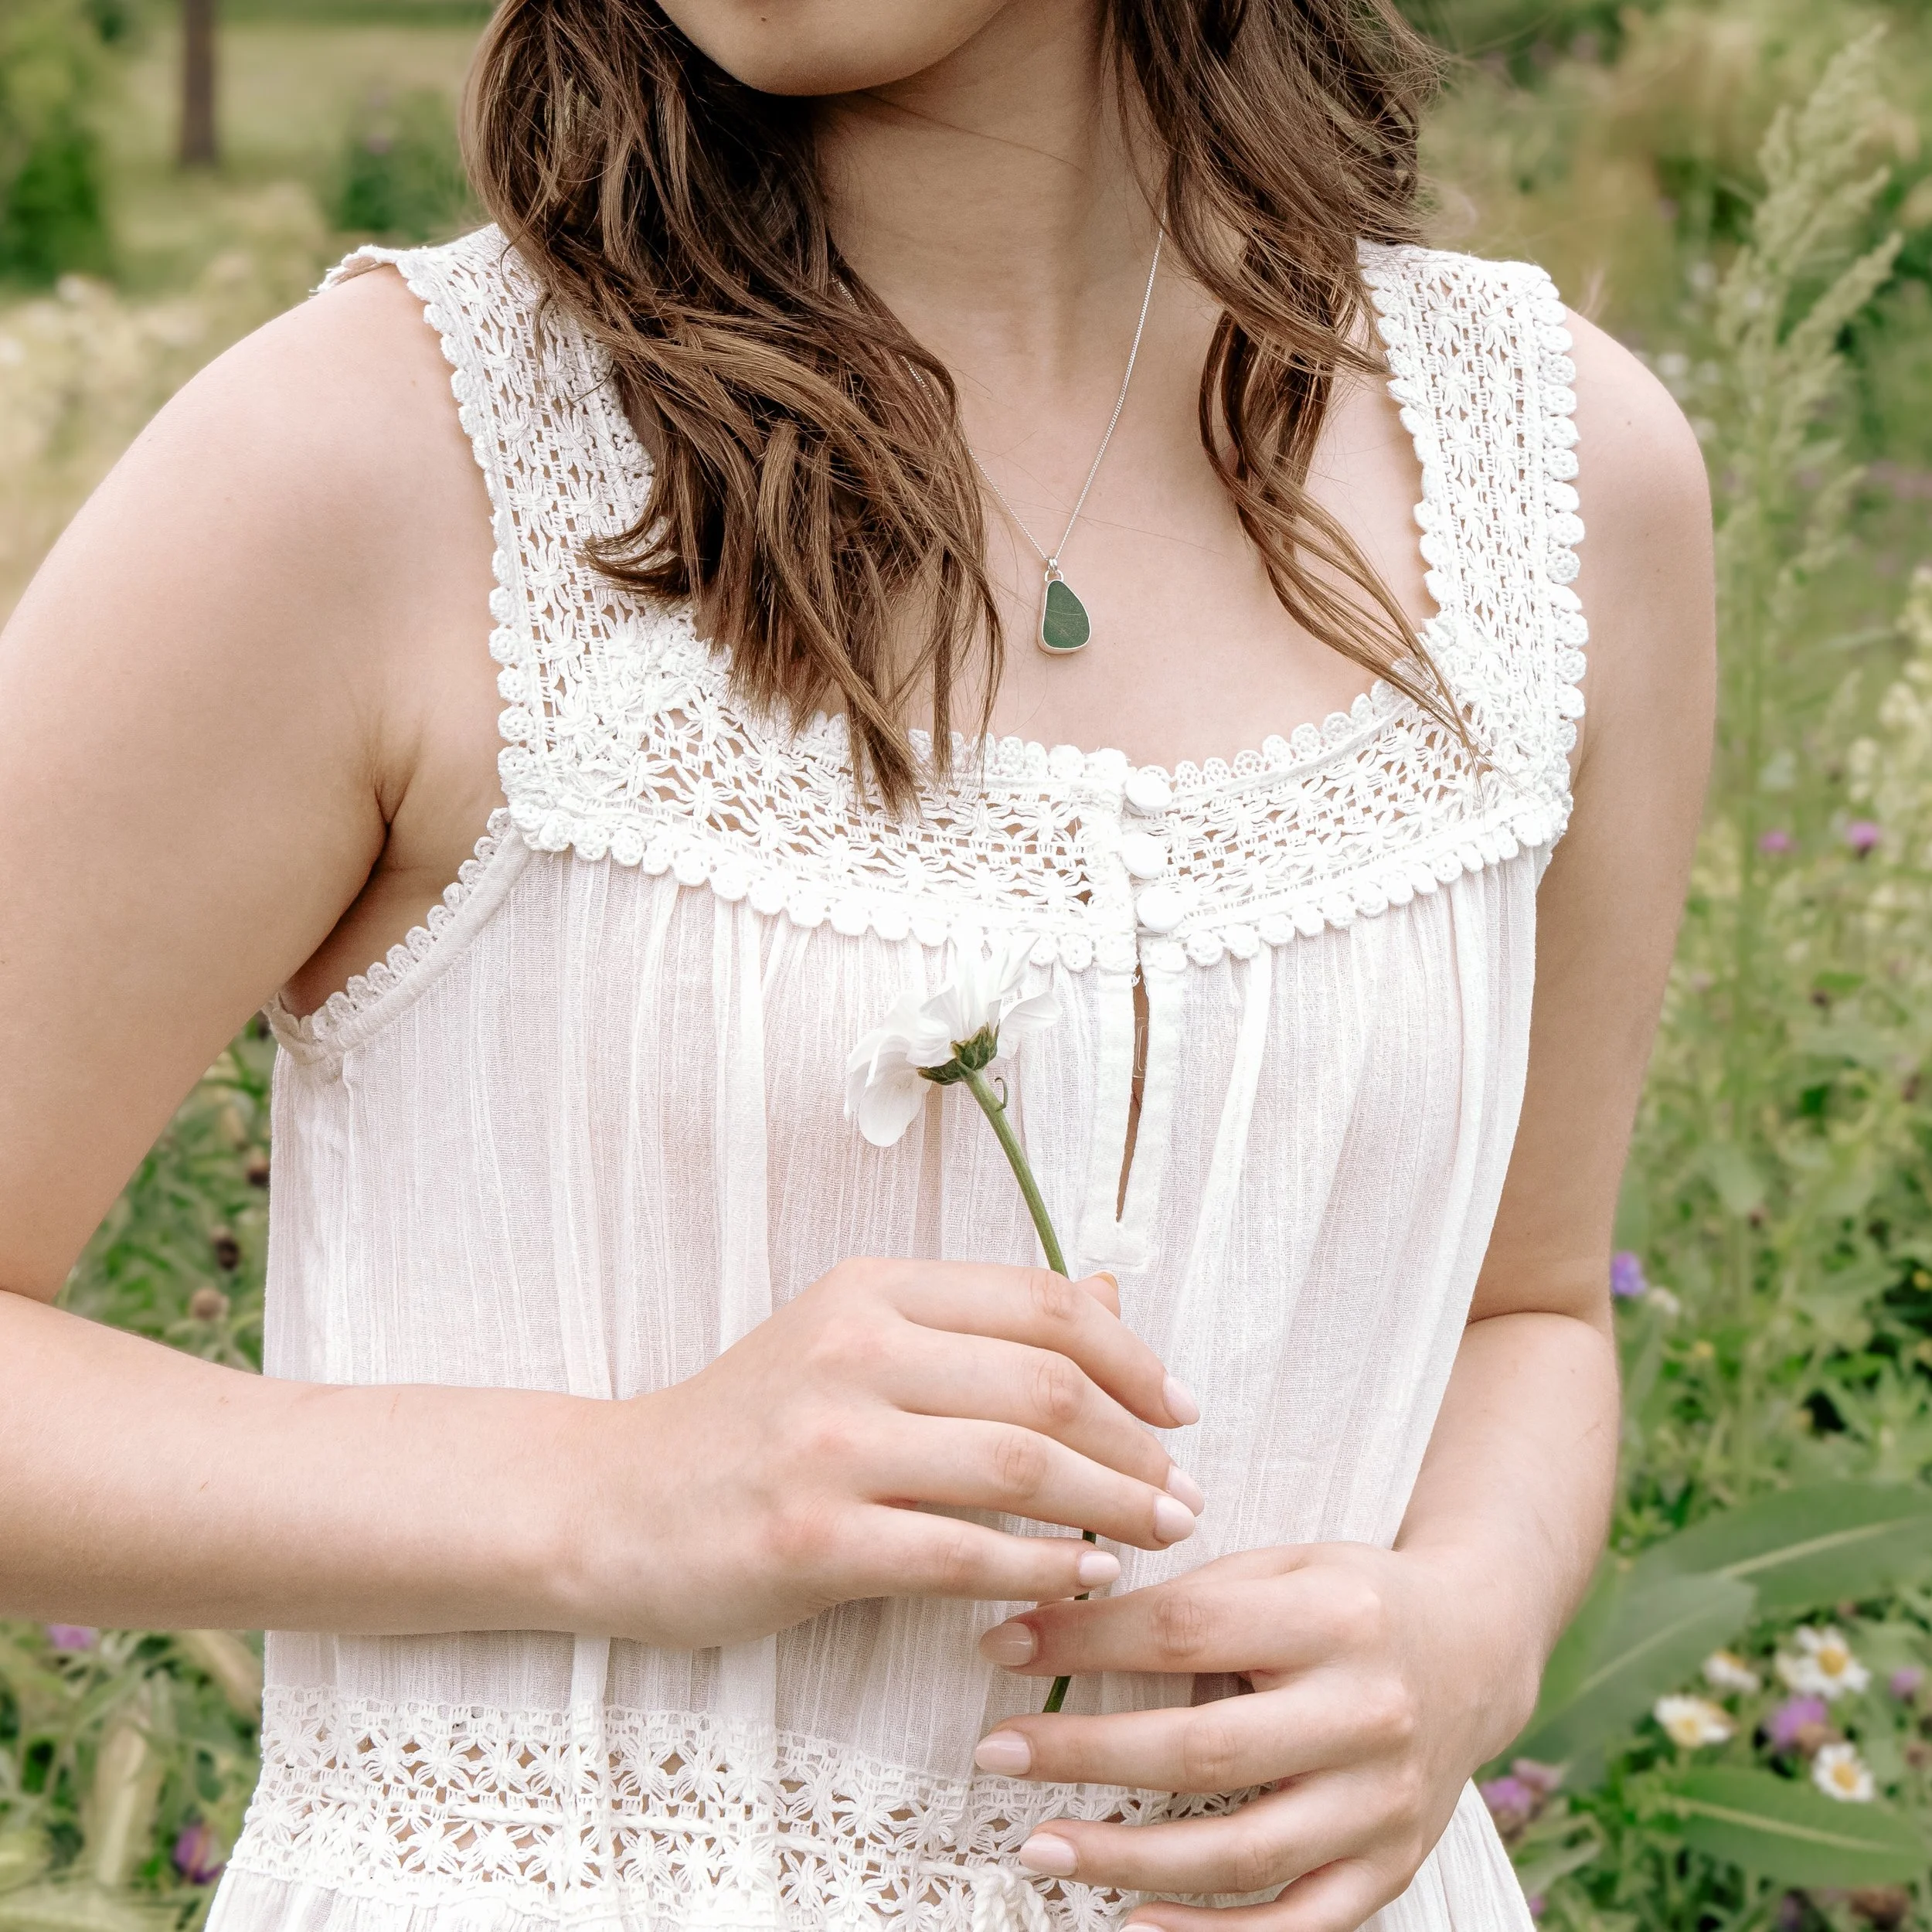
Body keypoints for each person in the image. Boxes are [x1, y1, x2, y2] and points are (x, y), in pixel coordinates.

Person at [0, 2, 1715, 1928]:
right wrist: (610, 1492)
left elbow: (1530, 1308)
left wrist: (1468, 1626)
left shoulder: (1554, 486)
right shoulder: (366, 463)